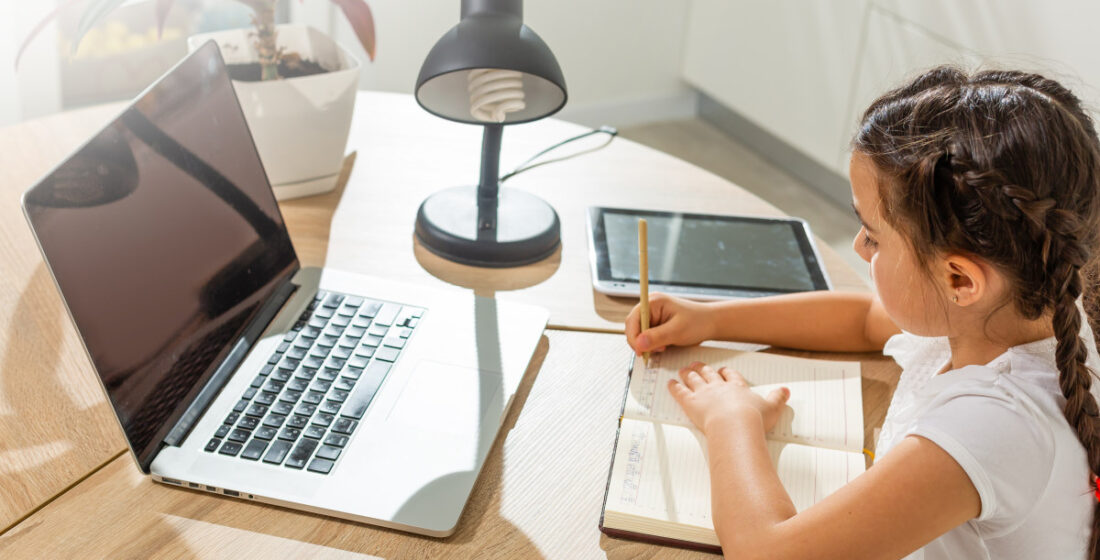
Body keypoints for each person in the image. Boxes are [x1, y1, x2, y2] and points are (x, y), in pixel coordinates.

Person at [625, 67, 1100, 560]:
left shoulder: (994, 426)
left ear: (959, 279)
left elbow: (765, 552)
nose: (857, 245)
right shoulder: (1018, 308)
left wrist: (731, 419)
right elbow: (864, 320)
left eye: (873, 236)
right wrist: (710, 319)